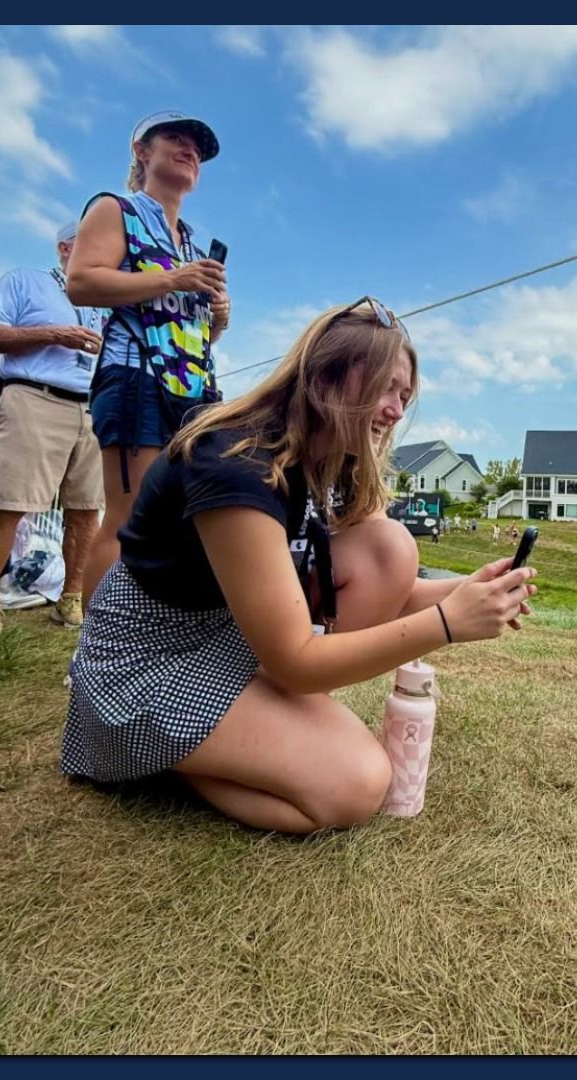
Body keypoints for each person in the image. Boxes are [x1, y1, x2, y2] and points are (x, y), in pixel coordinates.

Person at [62, 298, 536, 833]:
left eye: (404, 396)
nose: (397, 411)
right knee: (355, 786)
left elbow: (385, 589)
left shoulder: (320, 457)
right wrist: (447, 626)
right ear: (326, 377)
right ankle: (156, 754)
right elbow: (294, 658)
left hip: (226, 634)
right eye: (385, 387)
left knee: (391, 548)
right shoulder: (235, 464)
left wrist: (466, 592)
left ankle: (246, 738)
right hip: (144, 664)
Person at [67, 110, 231, 604]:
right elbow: (81, 282)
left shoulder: (191, 242)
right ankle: (96, 648)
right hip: (135, 376)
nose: (190, 151)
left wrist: (219, 314)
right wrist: (173, 279)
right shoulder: (115, 209)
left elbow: (197, 334)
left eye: (197, 149)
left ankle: (149, 628)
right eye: (176, 139)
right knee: (129, 515)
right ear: (142, 151)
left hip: (192, 389)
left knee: (178, 512)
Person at [0, 219, 107, 635]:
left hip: (92, 409)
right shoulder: (25, 282)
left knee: (85, 510)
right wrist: (54, 335)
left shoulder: (105, 303)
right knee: (8, 502)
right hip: (35, 397)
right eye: (90, 243)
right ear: (65, 248)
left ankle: (71, 598)